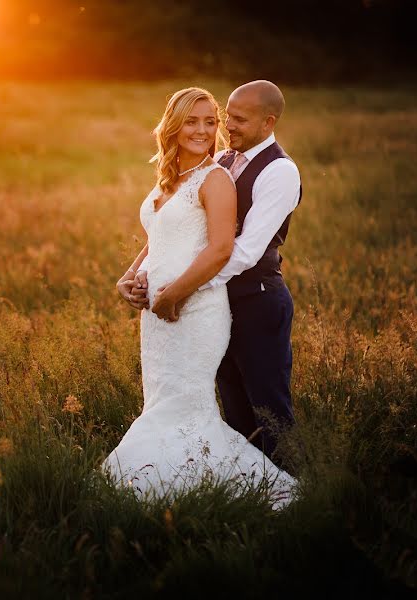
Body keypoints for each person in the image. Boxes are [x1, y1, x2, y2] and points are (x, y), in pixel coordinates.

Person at [104, 86, 296, 509]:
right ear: (172, 125)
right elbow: (165, 234)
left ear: (268, 122)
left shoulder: (246, 174)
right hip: (165, 312)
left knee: (253, 403)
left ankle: (281, 490)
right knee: (215, 405)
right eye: (197, 120)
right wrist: (133, 276)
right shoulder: (189, 172)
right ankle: (204, 489)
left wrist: (176, 291)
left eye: (215, 121)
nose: (214, 128)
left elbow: (230, 250)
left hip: (222, 304)